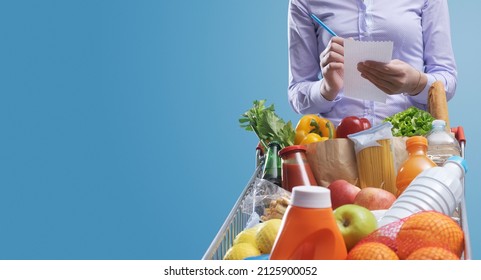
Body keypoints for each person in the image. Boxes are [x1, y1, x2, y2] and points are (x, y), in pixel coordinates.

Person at [287, 0, 457, 126]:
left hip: (408, 142)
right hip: (338, 145)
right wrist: (326, 89)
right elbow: (297, 93)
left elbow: (447, 80)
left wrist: (415, 83)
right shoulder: (304, 2)